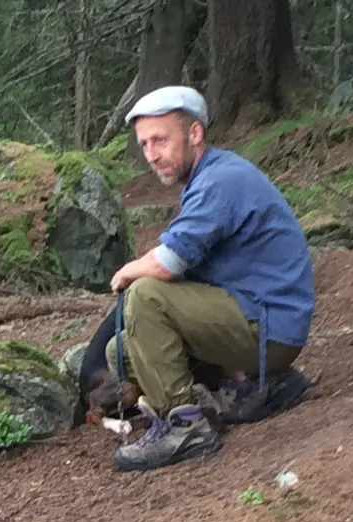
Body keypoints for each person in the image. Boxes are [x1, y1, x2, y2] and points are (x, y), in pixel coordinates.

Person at [105, 85, 315, 473]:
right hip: (253, 317)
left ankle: (186, 425)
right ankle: (243, 390)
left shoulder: (221, 181)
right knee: (120, 351)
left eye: (160, 140)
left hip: (268, 326)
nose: (152, 155)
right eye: (145, 144)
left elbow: (167, 264)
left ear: (195, 133)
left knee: (146, 296)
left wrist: (125, 271)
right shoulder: (210, 177)